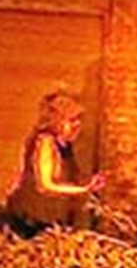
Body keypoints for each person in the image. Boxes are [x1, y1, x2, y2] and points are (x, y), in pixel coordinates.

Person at [6, 90, 105, 234]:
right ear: (59, 120)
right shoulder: (45, 143)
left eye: (79, 119)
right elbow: (45, 185)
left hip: (54, 218)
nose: (77, 124)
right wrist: (83, 190)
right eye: (72, 120)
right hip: (35, 218)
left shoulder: (66, 145)